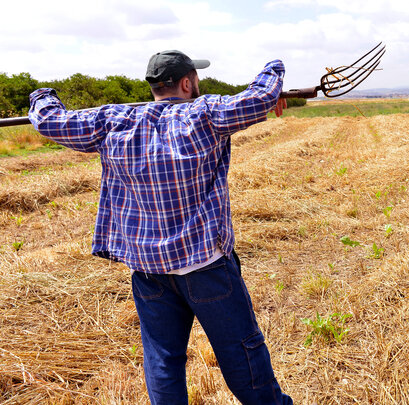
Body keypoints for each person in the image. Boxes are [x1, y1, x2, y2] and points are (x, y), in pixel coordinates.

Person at [28, 50, 292, 405]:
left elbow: (50, 121)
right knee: (242, 352)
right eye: (195, 79)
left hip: (148, 270)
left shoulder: (112, 120)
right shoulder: (205, 113)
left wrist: (43, 95)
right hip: (206, 266)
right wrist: (274, 68)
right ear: (187, 82)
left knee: (163, 361)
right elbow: (258, 98)